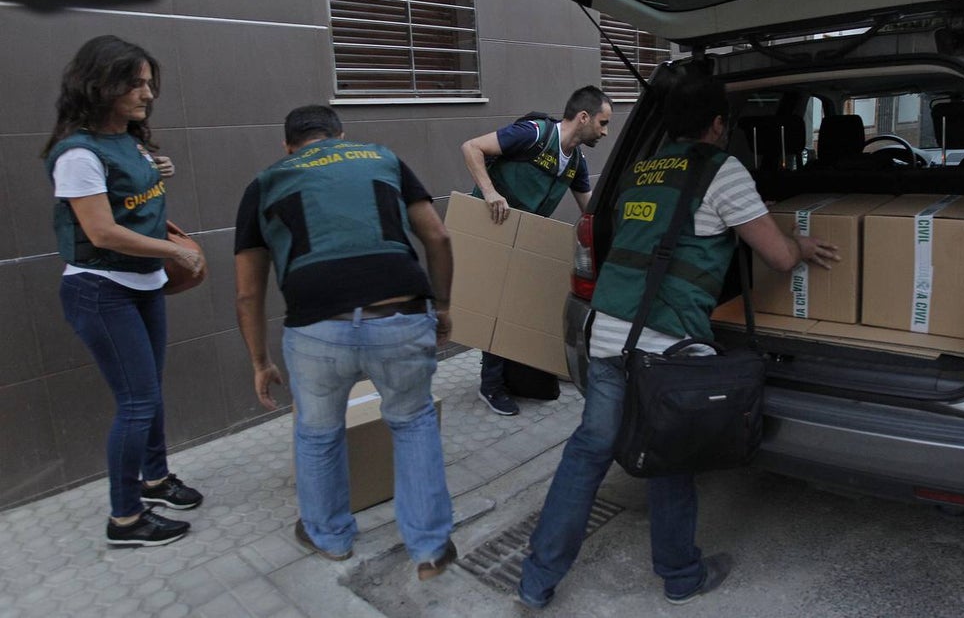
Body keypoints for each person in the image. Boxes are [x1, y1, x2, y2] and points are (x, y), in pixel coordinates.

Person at [516, 73, 841, 608]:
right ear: (718, 124)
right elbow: (778, 257)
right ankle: (680, 575)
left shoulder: (641, 170)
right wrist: (802, 245)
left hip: (605, 334)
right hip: (665, 346)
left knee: (588, 453)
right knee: (670, 453)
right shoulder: (722, 170)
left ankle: (536, 580)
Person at [234, 105, 456, 574]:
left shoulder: (264, 182)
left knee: (317, 433)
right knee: (413, 422)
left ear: (288, 146)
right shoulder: (382, 158)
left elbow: (247, 291)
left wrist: (260, 361)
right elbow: (437, 237)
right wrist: (443, 305)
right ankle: (431, 548)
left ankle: (330, 537)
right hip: (400, 312)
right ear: (341, 135)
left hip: (317, 327)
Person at [43, 35, 207, 547]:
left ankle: (155, 479)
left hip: (140, 284)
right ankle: (125, 519)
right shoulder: (76, 152)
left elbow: (132, 201)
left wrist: (158, 170)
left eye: (148, 81)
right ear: (100, 85)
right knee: (136, 402)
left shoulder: (129, 139)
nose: (147, 92)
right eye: (134, 83)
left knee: (149, 391)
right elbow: (102, 232)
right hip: (102, 289)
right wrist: (176, 252)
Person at [461, 86, 613, 416]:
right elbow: (471, 148)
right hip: (494, 225)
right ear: (583, 117)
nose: (604, 131)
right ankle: (491, 385)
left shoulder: (575, 162)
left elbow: (589, 211)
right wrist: (490, 194)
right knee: (498, 303)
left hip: (526, 235)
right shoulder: (532, 134)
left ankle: (534, 367)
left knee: (524, 300)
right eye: (602, 123)